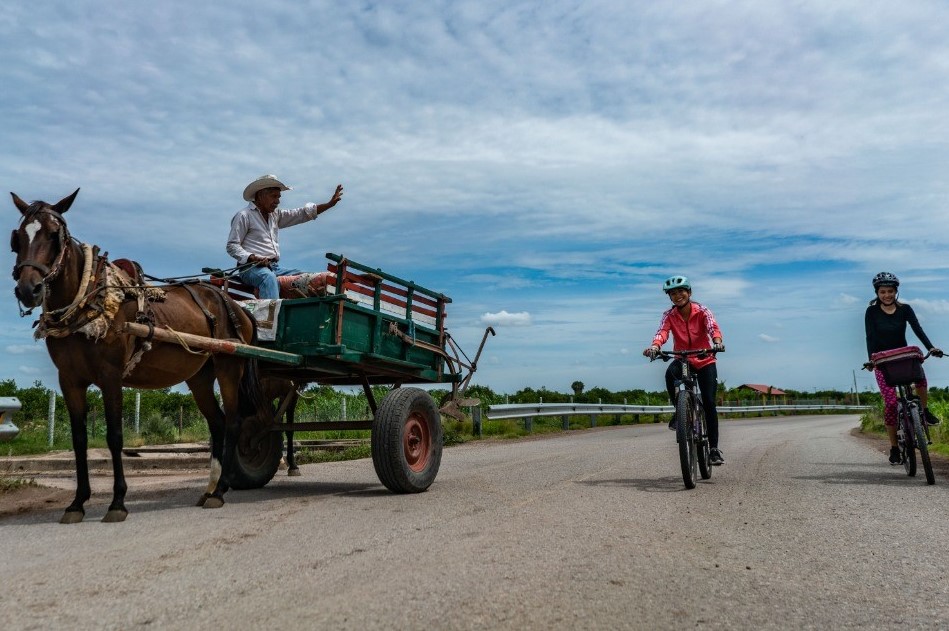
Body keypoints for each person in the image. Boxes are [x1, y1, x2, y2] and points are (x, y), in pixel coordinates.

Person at [643, 275, 726, 465]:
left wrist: (717, 342)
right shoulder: (669, 315)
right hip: (683, 359)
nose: (678, 295)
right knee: (670, 374)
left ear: (689, 292)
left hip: (704, 358)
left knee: (709, 401)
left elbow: (713, 327)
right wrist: (655, 346)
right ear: (670, 297)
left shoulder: (702, 311)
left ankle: (713, 449)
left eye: (681, 291)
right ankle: (680, 412)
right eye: (673, 293)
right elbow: (662, 332)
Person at [864, 271, 943, 465]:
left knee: (921, 378)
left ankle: (924, 411)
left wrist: (931, 348)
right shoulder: (871, 312)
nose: (887, 295)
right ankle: (894, 447)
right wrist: (871, 360)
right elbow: (870, 336)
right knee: (891, 404)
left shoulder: (905, 309)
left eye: (890, 291)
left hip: (902, 357)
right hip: (882, 361)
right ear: (877, 293)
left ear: (896, 291)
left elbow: (917, 328)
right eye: (883, 292)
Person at [226, 174, 344, 299]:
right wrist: (252, 257)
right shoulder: (244, 215)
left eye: (278, 197)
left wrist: (329, 204)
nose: (278, 201)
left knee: (304, 278)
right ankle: (271, 312)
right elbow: (232, 246)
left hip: (273, 268)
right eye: (274, 196)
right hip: (250, 269)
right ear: (260, 195)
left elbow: (301, 214)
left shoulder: (275, 215)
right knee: (268, 278)